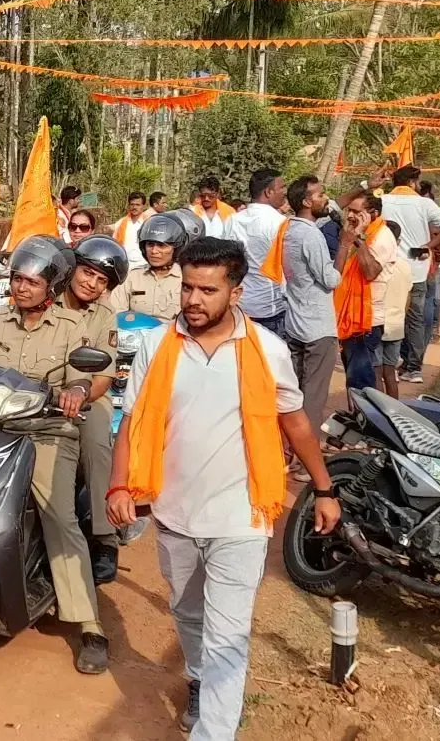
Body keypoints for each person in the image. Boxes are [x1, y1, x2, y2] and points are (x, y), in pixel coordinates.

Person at [106, 237, 338, 739]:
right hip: (173, 510)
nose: (193, 300)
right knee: (188, 612)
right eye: (188, 287)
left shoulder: (267, 350)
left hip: (242, 514)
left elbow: (295, 422)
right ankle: (198, 678)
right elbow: (132, 422)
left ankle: (214, 732)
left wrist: (324, 489)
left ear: (236, 292)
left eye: (207, 290)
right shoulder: (156, 345)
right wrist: (119, 485)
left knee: (227, 636)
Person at [0, 236, 112, 674]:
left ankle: (90, 624)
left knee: (58, 515)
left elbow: (87, 375)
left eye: (30, 281)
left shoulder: (71, 326)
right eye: (16, 279)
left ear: (51, 287)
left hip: (48, 432)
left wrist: (78, 390)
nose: (20, 287)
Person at [68, 236, 130, 583]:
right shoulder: (45, 300)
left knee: (95, 442)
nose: (91, 283)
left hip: (88, 397)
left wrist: (79, 394)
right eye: (86, 272)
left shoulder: (105, 316)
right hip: (36, 395)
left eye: (101, 279)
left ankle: (105, 538)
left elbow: (104, 377)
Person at [378, 166, 440, 384]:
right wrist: (428, 246)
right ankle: (414, 368)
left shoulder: (383, 201)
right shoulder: (424, 203)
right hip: (416, 268)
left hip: (389, 266)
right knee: (415, 319)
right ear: (412, 182)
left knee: (388, 315)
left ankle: (388, 365)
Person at [280, 176, 342, 433]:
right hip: (317, 327)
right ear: (306, 202)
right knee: (313, 396)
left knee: (295, 393)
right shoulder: (311, 235)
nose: (325, 198)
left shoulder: (288, 230)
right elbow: (330, 280)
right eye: (320, 195)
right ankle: (306, 452)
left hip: (295, 322)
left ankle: (290, 447)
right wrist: (346, 244)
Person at [333, 192, 391, 397]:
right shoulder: (353, 233)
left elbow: (371, 272)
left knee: (361, 381)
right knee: (354, 379)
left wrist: (358, 239)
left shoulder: (382, 236)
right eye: (349, 210)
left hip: (366, 320)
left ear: (372, 214)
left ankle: (367, 415)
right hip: (349, 317)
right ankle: (358, 413)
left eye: (356, 212)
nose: (350, 215)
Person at [227, 169, 291, 333]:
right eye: (282, 187)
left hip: (238, 304)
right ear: (268, 192)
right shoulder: (279, 223)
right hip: (270, 307)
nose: (285, 192)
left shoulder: (232, 220)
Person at [111, 210, 198, 320]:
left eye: (161, 245)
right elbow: (116, 314)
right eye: (150, 244)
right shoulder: (132, 277)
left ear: (176, 248)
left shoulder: (187, 278)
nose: (154, 251)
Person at [375, 221, 411, 398]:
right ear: (398, 242)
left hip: (376, 323)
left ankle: (376, 410)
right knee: (390, 373)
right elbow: (408, 298)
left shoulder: (376, 264)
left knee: (375, 373)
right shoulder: (405, 266)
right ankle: (394, 409)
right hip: (397, 325)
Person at [418, 181, 440, 345]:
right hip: (419, 263)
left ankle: (434, 328)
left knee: (435, 299)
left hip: (436, 265)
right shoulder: (416, 217)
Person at [113, 192, 150, 257]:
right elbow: (114, 242)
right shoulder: (121, 223)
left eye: (137, 205)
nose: (134, 207)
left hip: (144, 261)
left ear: (143, 206)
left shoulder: (148, 223)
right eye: (132, 204)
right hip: (124, 260)